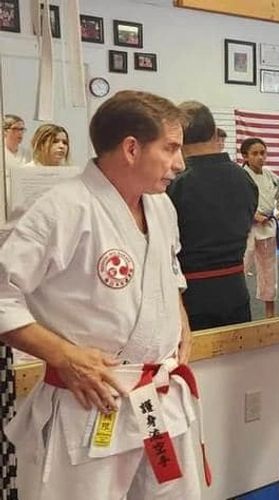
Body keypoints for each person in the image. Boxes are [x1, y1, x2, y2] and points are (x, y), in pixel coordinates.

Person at [0, 90, 207, 498]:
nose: (180, 163)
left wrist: (178, 317)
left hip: (157, 400)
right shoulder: (61, 207)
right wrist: (62, 355)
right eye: (170, 149)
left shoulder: (161, 207)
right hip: (91, 401)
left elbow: (168, 271)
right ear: (132, 148)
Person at [167, 101, 258, 330]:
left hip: (190, 294)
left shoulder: (175, 182)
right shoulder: (244, 178)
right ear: (214, 132)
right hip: (235, 289)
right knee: (237, 361)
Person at [241, 137, 279, 319]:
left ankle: (270, 312)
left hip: (267, 226)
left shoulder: (272, 177)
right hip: (246, 229)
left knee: (269, 271)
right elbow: (234, 202)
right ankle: (238, 309)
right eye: (255, 153)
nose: (260, 157)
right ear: (245, 156)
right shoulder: (240, 177)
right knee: (241, 269)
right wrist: (253, 215)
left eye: (263, 153)